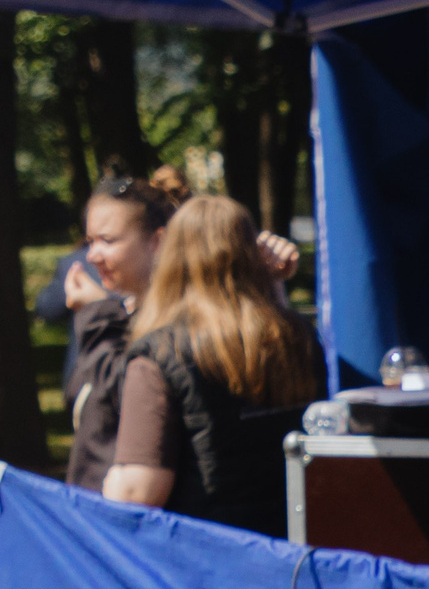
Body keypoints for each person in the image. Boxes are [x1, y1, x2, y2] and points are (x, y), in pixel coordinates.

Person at [97, 195, 323, 535]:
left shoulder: (160, 354)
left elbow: (136, 494)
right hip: (292, 548)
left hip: (204, 562)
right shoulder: (298, 335)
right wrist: (274, 283)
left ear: (171, 258)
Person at [61, 175, 176, 490]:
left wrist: (98, 314)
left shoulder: (173, 326)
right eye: (90, 241)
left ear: (157, 241)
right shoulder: (119, 311)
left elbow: (125, 399)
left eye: (108, 241)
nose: (92, 256)